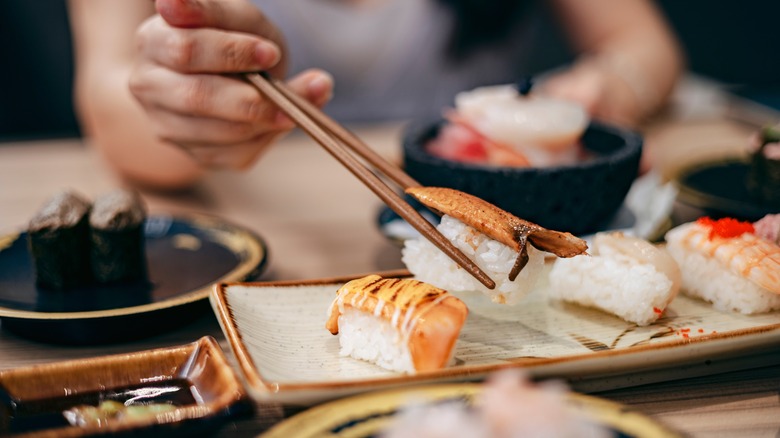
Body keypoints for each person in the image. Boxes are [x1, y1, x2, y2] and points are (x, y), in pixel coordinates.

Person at [67, 0, 683, 191]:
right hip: (267, 233)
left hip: (487, 213)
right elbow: (108, 94)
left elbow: (642, 40)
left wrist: (610, 85)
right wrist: (201, 115)